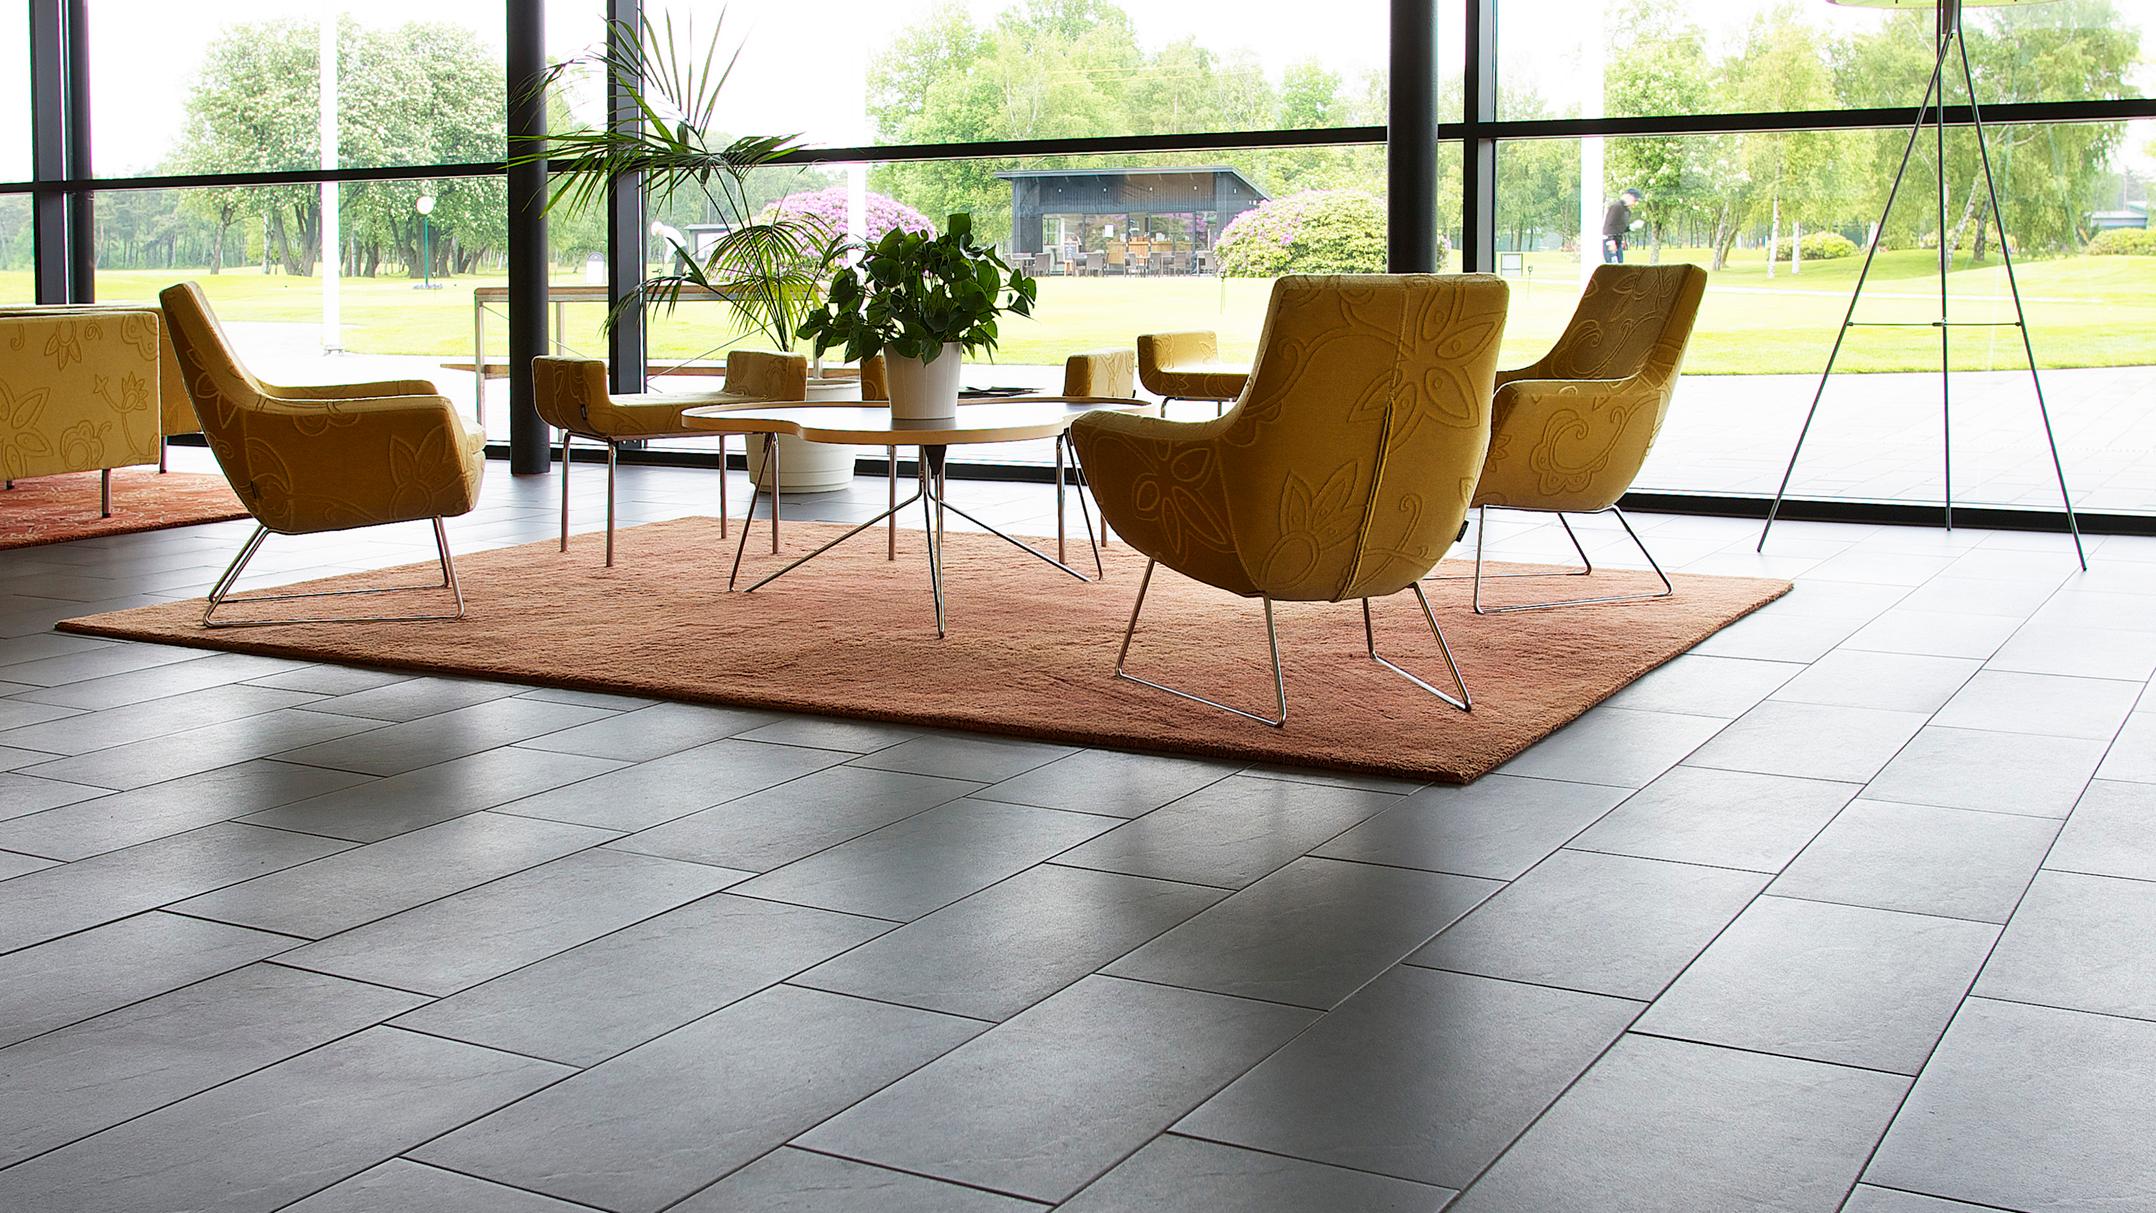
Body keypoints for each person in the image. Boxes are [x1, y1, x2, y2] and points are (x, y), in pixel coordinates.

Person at [1602, 188, 1643, 264]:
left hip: (1618, 241)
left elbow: (1621, 229)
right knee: (1613, 267)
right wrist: (1611, 241)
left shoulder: (1627, 211)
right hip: (1610, 241)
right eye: (1635, 200)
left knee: (1620, 265)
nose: (1635, 203)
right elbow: (1608, 226)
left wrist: (1632, 227)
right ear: (1629, 196)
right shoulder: (1617, 207)